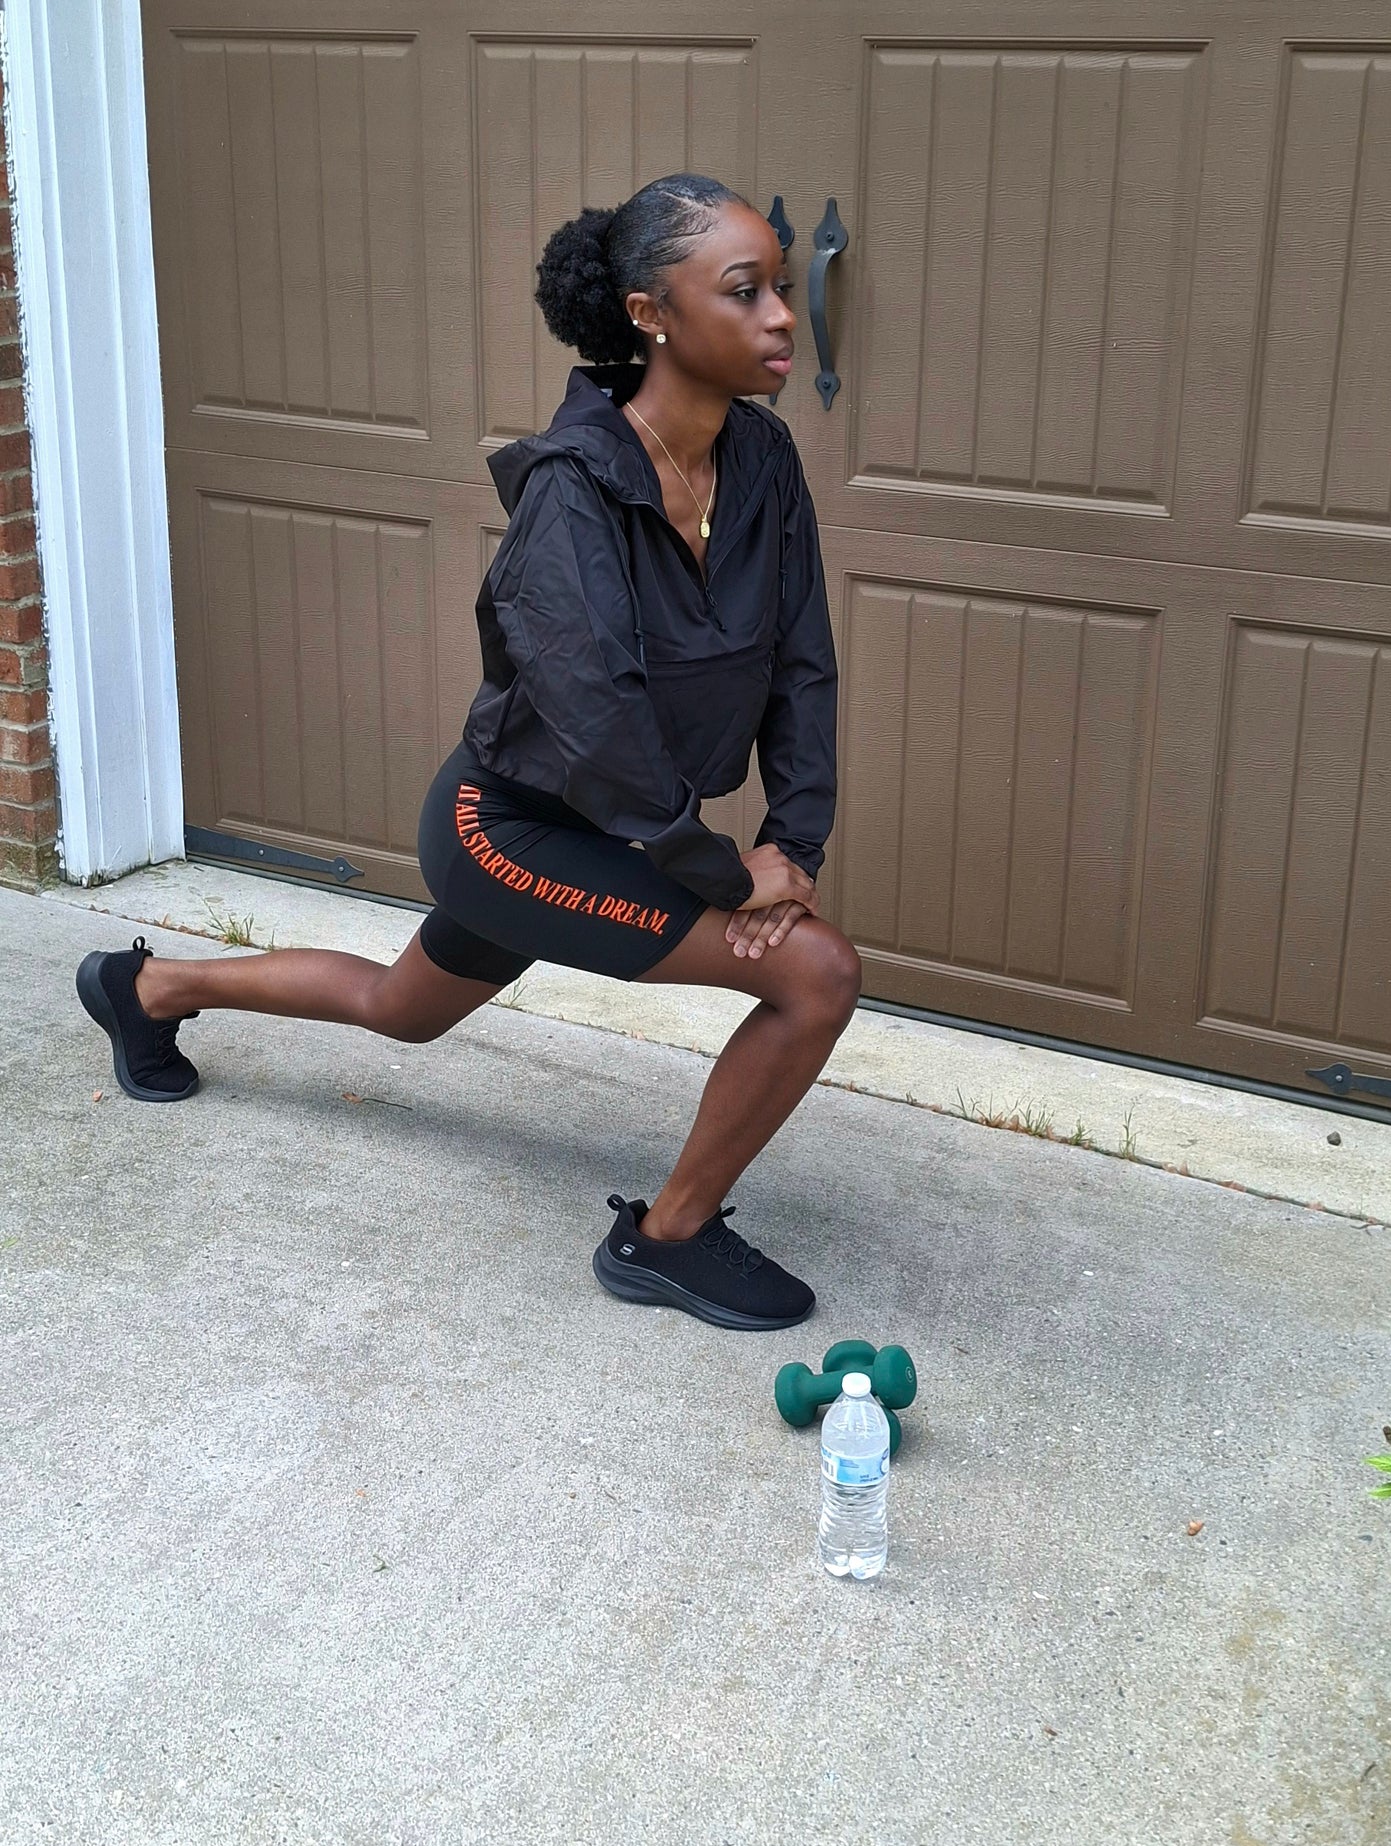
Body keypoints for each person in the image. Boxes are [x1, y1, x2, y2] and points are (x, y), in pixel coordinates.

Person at [76, 174, 859, 1332]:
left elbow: (801, 660)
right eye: (743, 293)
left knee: (404, 1008)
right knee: (813, 975)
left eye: (780, 291)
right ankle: (665, 1239)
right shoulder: (570, 490)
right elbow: (594, 714)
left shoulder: (762, 461)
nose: (781, 318)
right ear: (651, 313)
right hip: (513, 832)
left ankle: (145, 988)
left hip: (620, 835)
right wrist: (719, 873)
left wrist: (792, 839)